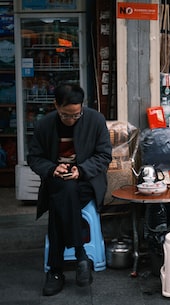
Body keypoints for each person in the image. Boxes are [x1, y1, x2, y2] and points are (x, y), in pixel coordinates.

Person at [28, 84, 112, 296]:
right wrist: (53, 168)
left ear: (82, 107)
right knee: (64, 191)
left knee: (62, 198)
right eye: (66, 115)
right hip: (57, 179)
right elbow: (34, 158)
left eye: (76, 115)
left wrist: (81, 170)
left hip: (87, 181)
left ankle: (55, 271)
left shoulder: (95, 120)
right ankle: (81, 255)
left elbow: (104, 156)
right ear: (56, 105)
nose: (72, 119)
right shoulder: (44, 125)